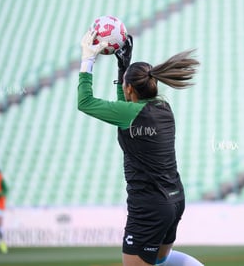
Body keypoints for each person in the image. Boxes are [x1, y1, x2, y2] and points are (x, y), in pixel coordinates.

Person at [78, 30, 203, 266]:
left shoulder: (130, 113)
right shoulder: (163, 107)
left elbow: (85, 102)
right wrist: (122, 71)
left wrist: (88, 59)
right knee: (159, 261)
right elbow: (127, 104)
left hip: (149, 206)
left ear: (128, 89)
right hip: (174, 199)